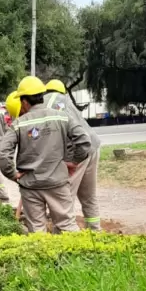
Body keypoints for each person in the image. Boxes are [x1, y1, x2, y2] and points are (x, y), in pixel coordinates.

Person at [0, 76, 91, 233]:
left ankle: (43, 257)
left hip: (30, 186)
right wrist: (73, 162)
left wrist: (13, 174)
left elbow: (3, 155)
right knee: (67, 226)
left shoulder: (19, 124)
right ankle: (78, 256)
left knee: (36, 229)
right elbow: (84, 142)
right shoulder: (62, 116)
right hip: (58, 183)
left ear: (25, 101)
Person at [44, 79, 102, 231]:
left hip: (78, 149)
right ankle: (95, 232)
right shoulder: (66, 101)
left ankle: (63, 233)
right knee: (88, 195)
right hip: (93, 146)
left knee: (64, 195)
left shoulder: (45, 103)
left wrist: (73, 161)